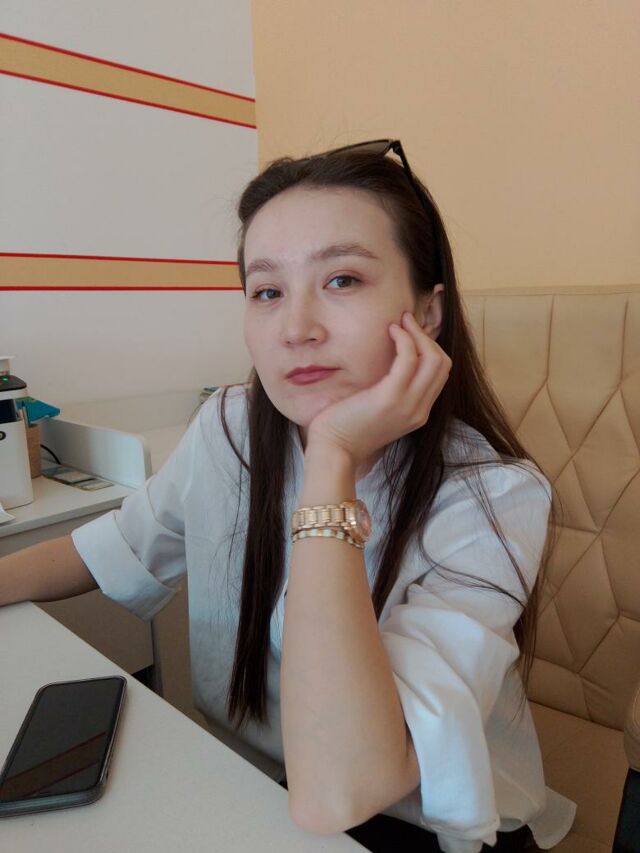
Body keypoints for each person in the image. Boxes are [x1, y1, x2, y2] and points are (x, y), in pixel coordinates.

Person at [0, 140, 577, 852]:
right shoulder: (230, 426)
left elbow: (345, 788)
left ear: (428, 313)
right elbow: (114, 546)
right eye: (267, 291)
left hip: (411, 820)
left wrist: (333, 459)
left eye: (342, 279)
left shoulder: (491, 497)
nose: (297, 329)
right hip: (258, 791)